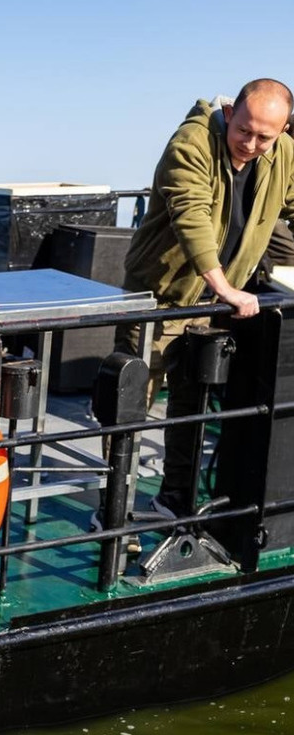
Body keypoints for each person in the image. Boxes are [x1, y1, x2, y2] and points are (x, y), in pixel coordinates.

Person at [120, 79, 294, 519]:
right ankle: (114, 512)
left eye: (264, 137)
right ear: (230, 111)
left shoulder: (283, 154)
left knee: (191, 405)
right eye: (244, 131)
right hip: (161, 299)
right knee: (132, 406)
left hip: (215, 307)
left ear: (283, 130)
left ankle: (173, 500)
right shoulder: (193, 141)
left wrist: (222, 296)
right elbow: (192, 216)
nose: (251, 144)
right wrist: (225, 288)